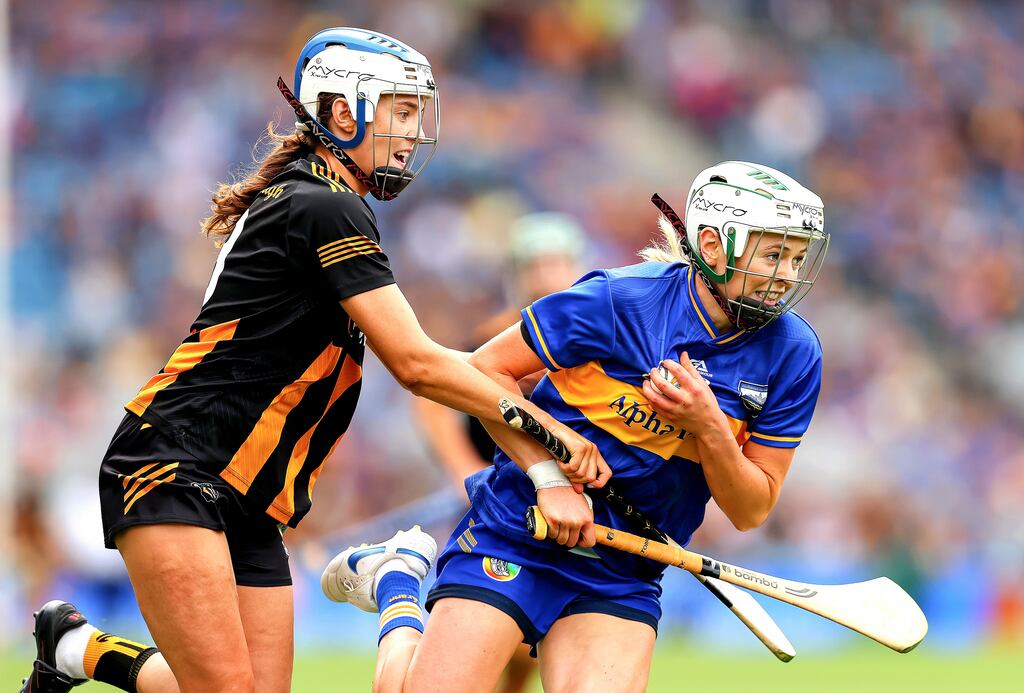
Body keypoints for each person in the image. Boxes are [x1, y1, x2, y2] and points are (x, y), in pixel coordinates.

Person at [21, 27, 608, 693]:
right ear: (340, 111)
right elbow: (416, 364)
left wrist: (534, 458)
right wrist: (547, 433)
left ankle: (76, 648)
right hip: (176, 464)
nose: (414, 133)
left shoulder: (332, 202)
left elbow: (435, 361)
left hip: (254, 493)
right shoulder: (322, 205)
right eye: (401, 111)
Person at [321, 161, 830, 692]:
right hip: (518, 531)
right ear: (712, 243)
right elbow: (482, 373)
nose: (789, 276)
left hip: (623, 569)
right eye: (774, 255)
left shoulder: (794, 354)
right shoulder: (616, 301)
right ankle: (396, 583)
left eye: (796, 257)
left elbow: (751, 509)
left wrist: (709, 427)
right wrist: (549, 477)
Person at [410, 212, 587, 693]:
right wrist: (461, 468)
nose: (549, 275)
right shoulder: (497, 334)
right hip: (493, 499)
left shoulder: (590, 337)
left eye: (559, 262)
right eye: (538, 264)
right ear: (518, 272)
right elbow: (433, 396)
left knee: (528, 650)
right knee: (491, 629)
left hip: (557, 503)